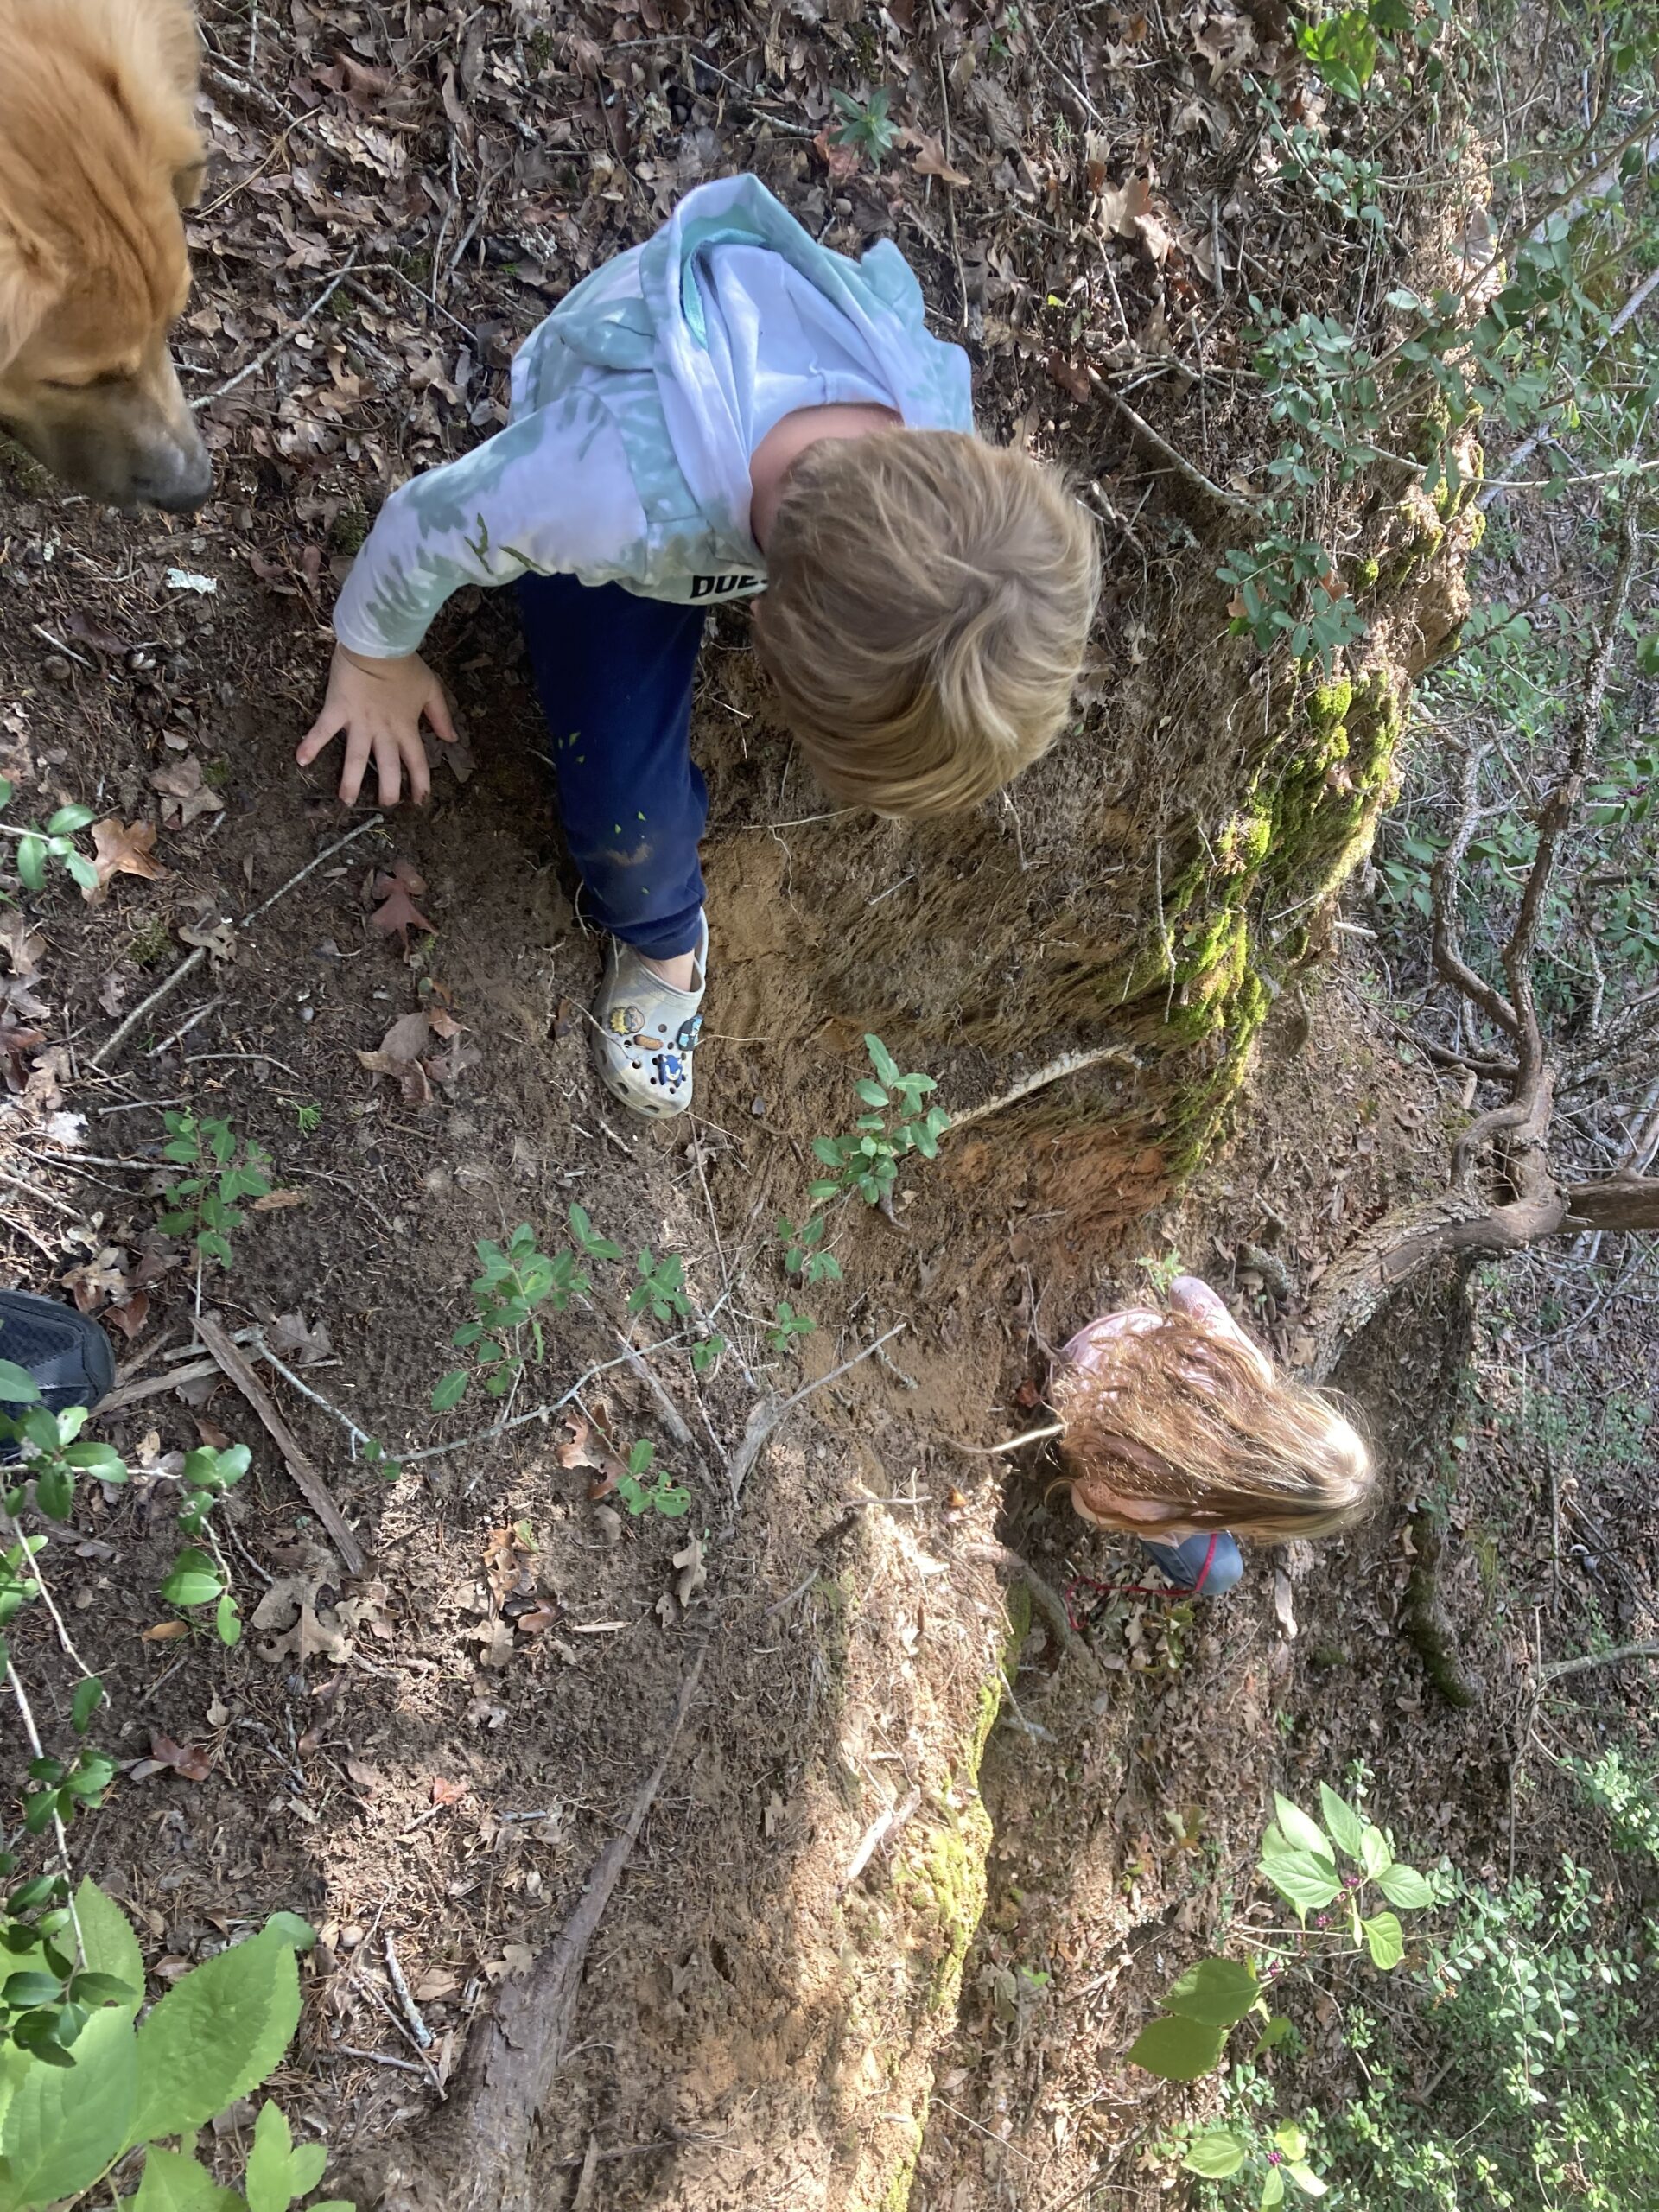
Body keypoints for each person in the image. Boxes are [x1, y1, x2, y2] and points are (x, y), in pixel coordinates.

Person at [294, 175, 1100, 1122]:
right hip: (631, 426)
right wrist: (376, 657)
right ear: (766, 626)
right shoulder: (609, 496)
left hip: (749, 423)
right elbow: (431, 522)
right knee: (627, 812)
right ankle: (663, 932)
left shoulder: (933, 434)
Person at [1049, 1274, 1373, 1597]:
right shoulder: (1175, 1501)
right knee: (1219, 1571)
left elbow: (1184, 1288)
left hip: (1105, 1338)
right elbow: (1083, 1498)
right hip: (1066, 1397)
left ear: (1302, 1414)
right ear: (1268, 1517)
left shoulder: (1250, 1366)